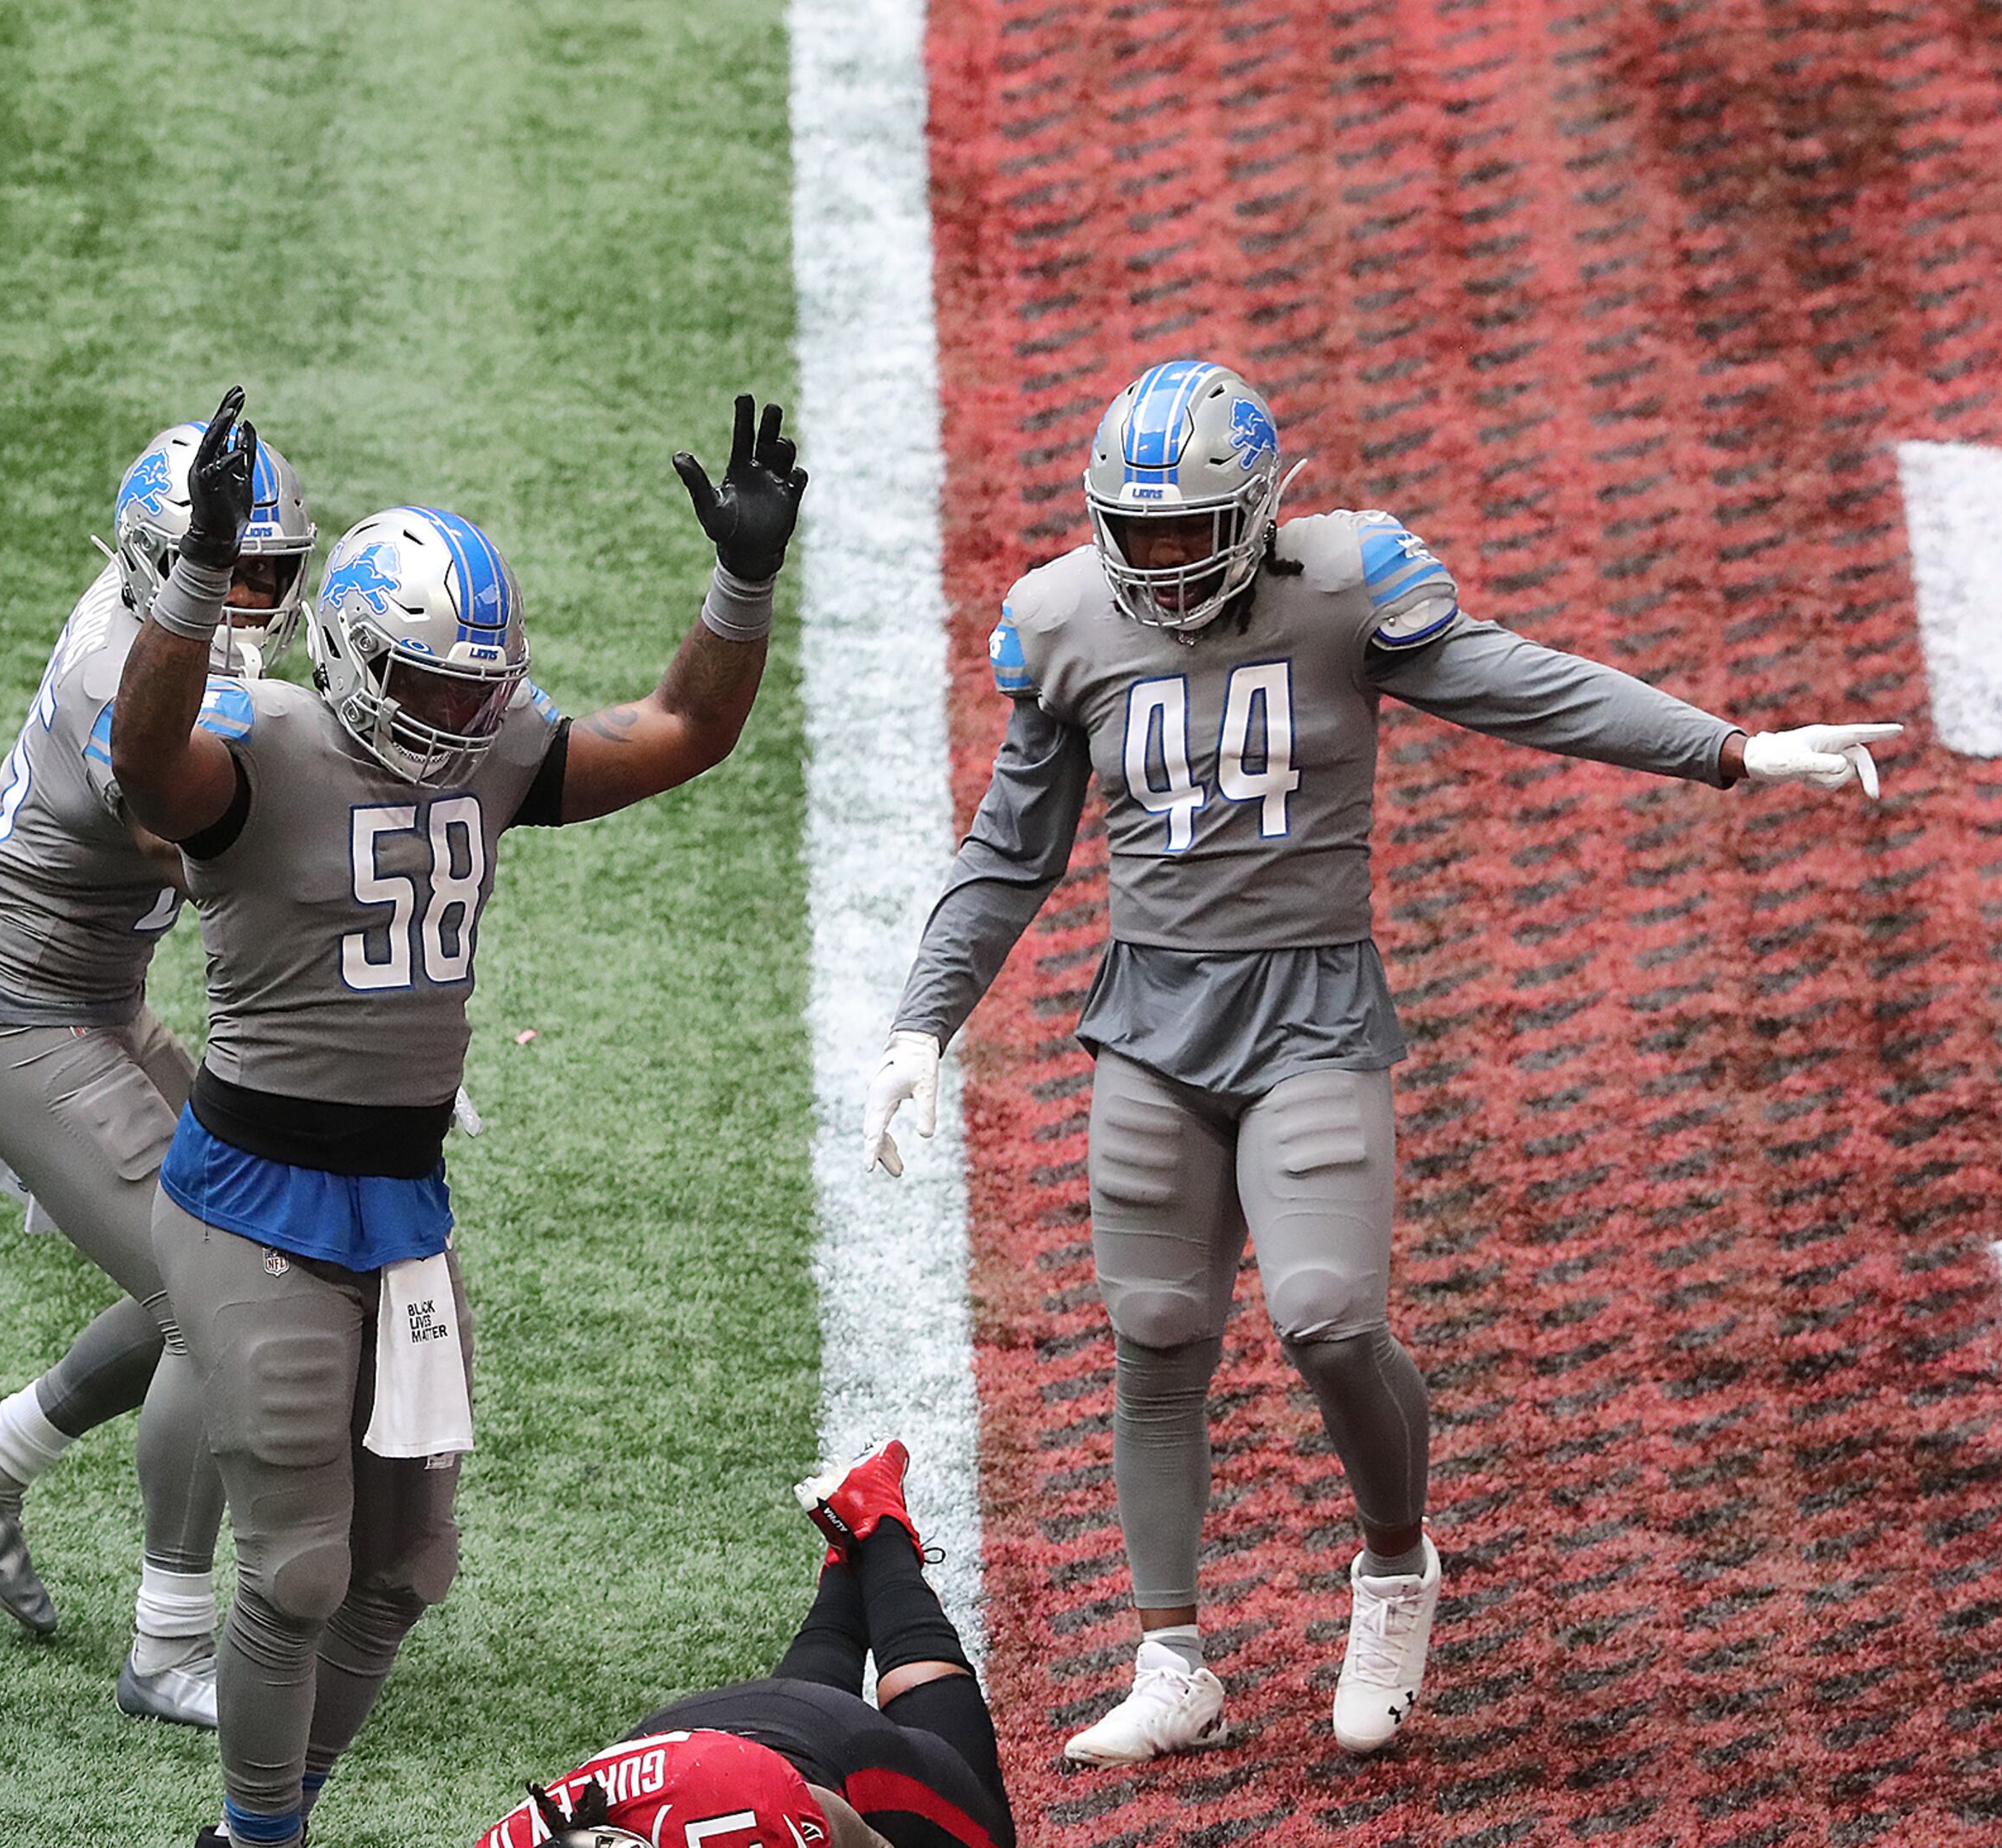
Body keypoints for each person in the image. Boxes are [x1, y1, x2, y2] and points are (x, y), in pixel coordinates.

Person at [858, 358, 1899, 1762]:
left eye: (1186, 534)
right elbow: (1008, 855)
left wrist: (1729, 750)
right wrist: (925, 1023)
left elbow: (1519, 683)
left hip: (1311, 1015)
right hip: (1151, 1025)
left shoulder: (1340, 592)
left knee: (1329, 1314)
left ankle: (1395, 1566)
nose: (1158, 567)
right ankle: (1174, 1658)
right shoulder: (1062, 624)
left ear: (1256, 514)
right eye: (1136, 534)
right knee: (1157, 1337)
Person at [108, 387, 808, 1847]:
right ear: (352, 661)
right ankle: (261, 1837)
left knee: (404, 1569)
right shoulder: (261, 743)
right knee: (297, 1572)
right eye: (425, 683)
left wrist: (741, 585)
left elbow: (682, 727)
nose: (454, 712)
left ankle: (263, 1820)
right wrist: (191, 579)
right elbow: (143, 762)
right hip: (256, 1199)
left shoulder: (491, 748)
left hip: (403, 1212)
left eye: (470, 684)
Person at [0, 414, 317, 1728]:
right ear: (158, 560)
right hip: (16, 1013)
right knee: (219, 1295)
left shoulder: (154, 626)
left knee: (272, 1249)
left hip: (91, 999)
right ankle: (167, 1644)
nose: (248, 596)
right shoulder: (115, 669)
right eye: (224, 568)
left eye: (268, 572)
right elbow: (200, 843)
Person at [480, 1442, 1015, 1848]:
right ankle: (847, 1550)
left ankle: (880, 1532)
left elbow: (861, 1841)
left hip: (769, 1781)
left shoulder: (744, 1820)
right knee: (797, 1737)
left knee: (980, 1829)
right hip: (716, 1742)